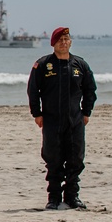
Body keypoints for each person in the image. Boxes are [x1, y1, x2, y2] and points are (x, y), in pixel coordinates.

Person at [28, 27, 97, 210]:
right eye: (60, 40)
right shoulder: (43, 65)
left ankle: (72, 197)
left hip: (75, 121)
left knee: (76, 159)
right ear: (53, 43)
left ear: (71, 42)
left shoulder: (80, 65)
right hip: (51, 121)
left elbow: (90, 90)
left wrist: (86, 112)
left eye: (66, 39)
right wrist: (37, 113)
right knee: (53, 159)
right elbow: (33, 90)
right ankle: (54, 198)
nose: (64, 42)